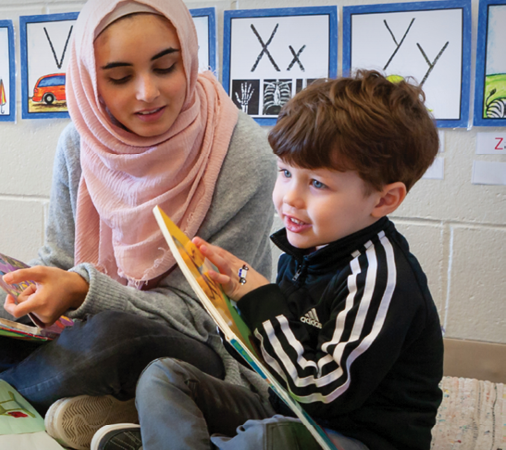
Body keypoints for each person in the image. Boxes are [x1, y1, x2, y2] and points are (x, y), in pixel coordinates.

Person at [0, 1, 277, 448]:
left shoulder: (241, 152)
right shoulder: (80, 141)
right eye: (120, 77)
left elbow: (202, 316)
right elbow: (59, 260)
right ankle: (85, 397)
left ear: (189, 55)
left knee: (113, 338)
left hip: (195, 350)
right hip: (82, 330)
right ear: (89, 80)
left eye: (166, 67)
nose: (148, 92)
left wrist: (83, 292)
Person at [95, 70, 443, 450]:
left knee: (263, 440)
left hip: (355, 437)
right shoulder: (306, 251)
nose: (289, 198)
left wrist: (261, 299)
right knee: (163, 375)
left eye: (317, 184)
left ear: (383, 200)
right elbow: (276, 362)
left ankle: (171, 441)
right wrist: (234, 303)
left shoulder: (380, 276)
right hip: (291, 415)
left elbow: (318, 392)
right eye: (286, 172)